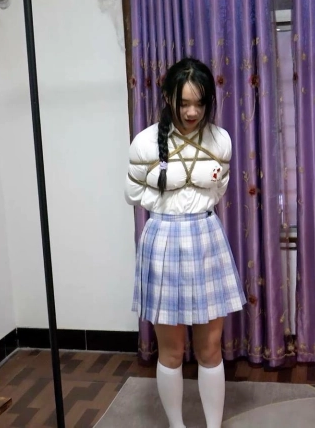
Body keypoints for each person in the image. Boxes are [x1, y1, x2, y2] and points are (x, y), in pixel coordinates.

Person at [124, 57, 247, 428]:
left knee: (210, 349)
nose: (192, 112)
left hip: (207, 237)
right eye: (183, 103)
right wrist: (169, 192)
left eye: (200, 103)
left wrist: (187, 187)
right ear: (167, 97)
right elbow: (132, 192)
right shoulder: (146, 142)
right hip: (163, 239)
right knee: (172, 351)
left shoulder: (220, 139)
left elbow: (219, 188)